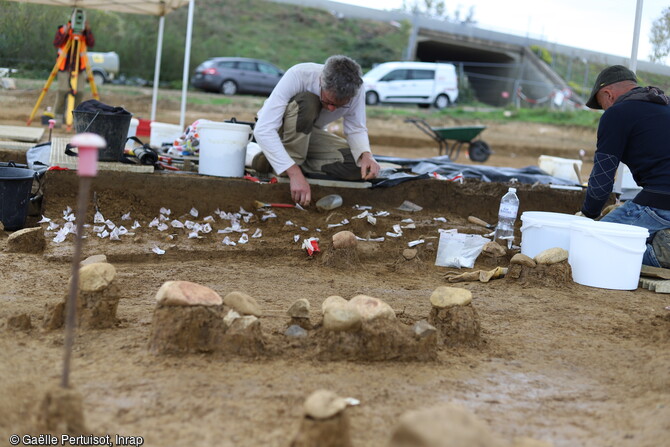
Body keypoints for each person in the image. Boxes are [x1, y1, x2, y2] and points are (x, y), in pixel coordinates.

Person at [253, 55, 380, 206]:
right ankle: (289, 165)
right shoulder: (299, 75)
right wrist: (294, 174)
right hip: (279, 130)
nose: (332, 109)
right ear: (321, 81)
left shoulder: (357, 90)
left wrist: (366, 155)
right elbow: (263, 129)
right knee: (308, 102)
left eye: (339, 106)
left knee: (357, 166)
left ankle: (276, 160)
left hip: (310, 135)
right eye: (329, 102)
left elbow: (356, 128)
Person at [580, 65, 670, 268]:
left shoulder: (617, 114)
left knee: (591, 243)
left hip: (661, 201)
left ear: (608, 94)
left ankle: (660, 256)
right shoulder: (665, 106)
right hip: (663, 199)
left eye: (601, 104)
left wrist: (589, 215)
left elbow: (602, 180)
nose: (603, 109)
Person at [52, 16, 95, 125]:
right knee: (63, 90)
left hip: (79, 68)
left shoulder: (84, 32)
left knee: (80, 92)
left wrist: (87, 30)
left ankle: (75, 118)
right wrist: (65, 33)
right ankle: (58, 117)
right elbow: (56, 43)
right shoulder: (63, 29)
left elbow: (91, 43)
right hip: (64, 67)